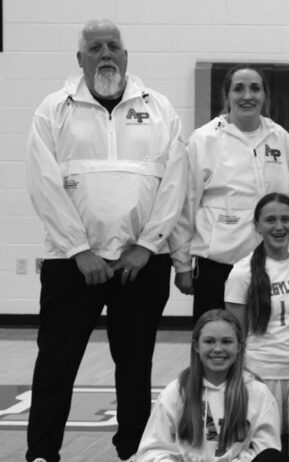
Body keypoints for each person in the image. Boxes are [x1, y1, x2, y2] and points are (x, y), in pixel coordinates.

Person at [25, 19, 187, 462]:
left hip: (141, 263)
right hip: (72, 264)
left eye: (113, 45)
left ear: (126, 55)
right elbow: (43, 183)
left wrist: (147, 245)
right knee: (56, 364)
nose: (106, 54)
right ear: (80, 59)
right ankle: (42, 452)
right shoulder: (53, 109)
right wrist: (79, 250)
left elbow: (174, 182)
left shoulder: (159, 108)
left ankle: (134, 451)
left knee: (135, 368)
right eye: (95, 47)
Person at [174, 64, 289, 321]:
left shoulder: (280, 137)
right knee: (216, 343)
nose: (247, 96)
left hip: (269, 262)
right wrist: (182, 264)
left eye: (255, 89)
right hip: (216, 265)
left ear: (265, 96)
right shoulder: (204, 139)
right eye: (239, 89)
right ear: (226, 95)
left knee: (264, 341)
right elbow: (185, 204)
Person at [136, 310, 287, 462]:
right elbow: (152, 452)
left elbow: (267, 450)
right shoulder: (176, 392)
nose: (218, 349)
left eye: (227, 342)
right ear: (196, 346)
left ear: (239, 346)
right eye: (209, 341)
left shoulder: (258, 392)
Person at [223, 193, 289, 421]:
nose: (278, 226)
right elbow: (235, 336)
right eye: (270, 220)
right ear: (256, 225)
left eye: (286, 219)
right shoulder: (242, 273)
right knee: (265, 442)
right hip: (260, 372)